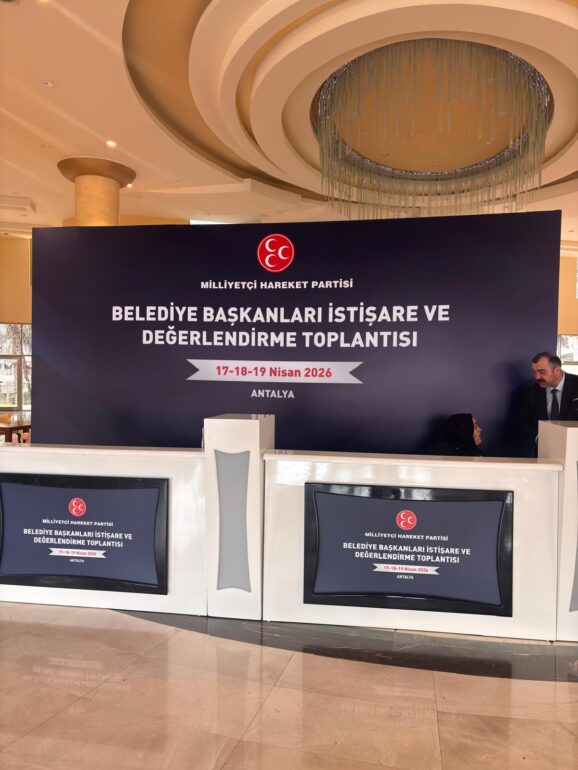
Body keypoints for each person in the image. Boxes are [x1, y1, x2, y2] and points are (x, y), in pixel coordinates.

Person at [519, 352, 578, 442]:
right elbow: (523, 421)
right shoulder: (532, 392)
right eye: (534, 372)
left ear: (557, 369)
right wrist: (539, 437)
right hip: (544, 447)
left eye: (542, 372)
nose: (537, 377)